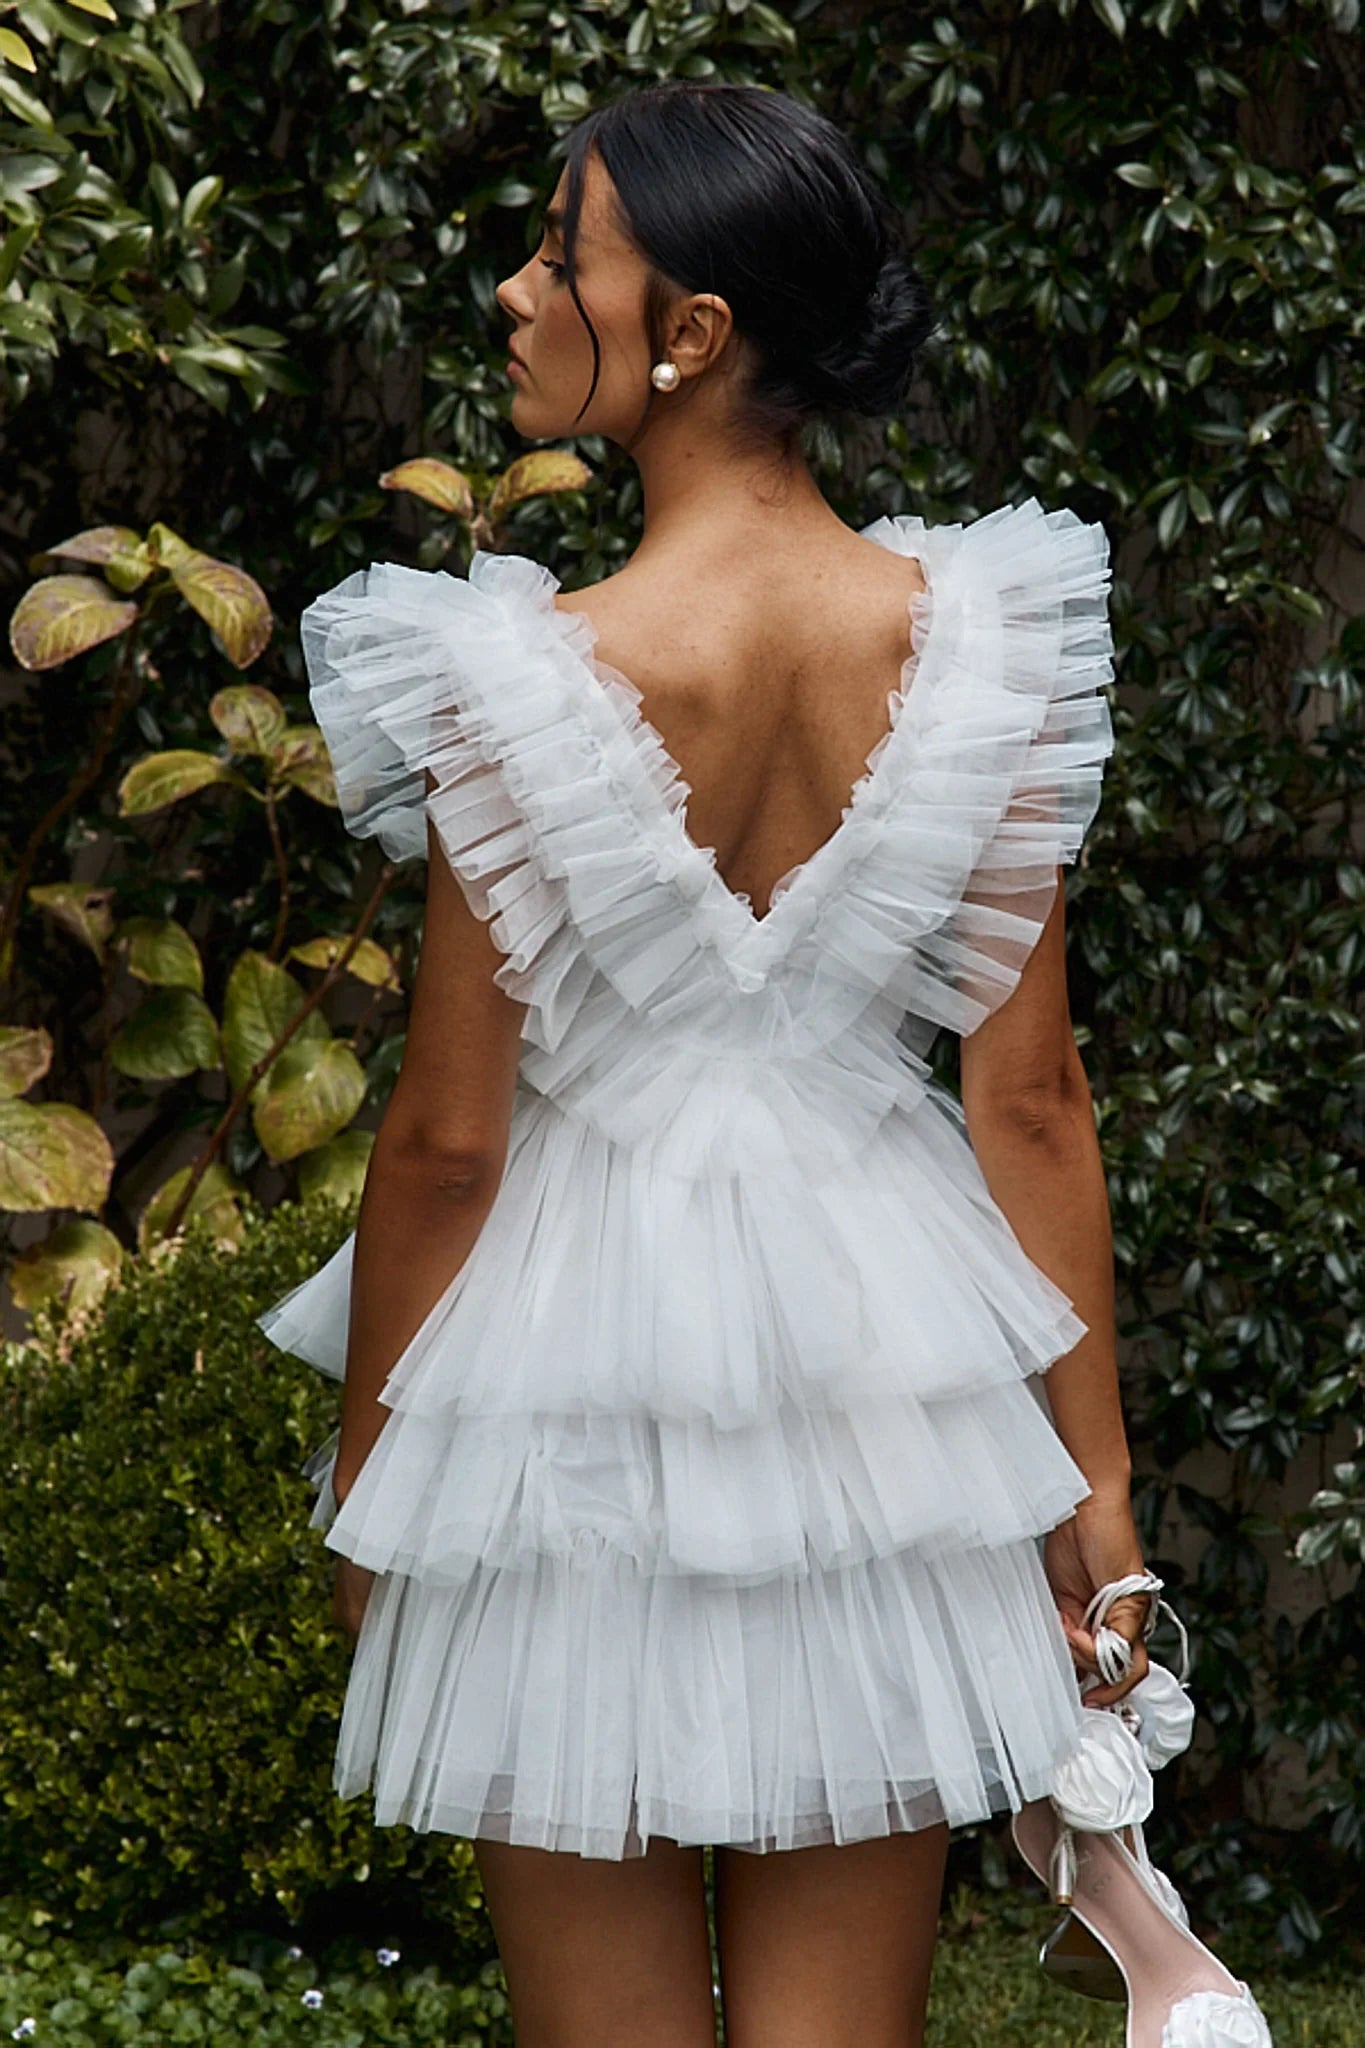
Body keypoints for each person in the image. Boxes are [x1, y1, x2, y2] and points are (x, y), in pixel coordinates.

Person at [258, 79, 1232, 2048]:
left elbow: (446, 1145)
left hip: (563, 1385)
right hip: (883, 1386)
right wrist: (1098, 1493)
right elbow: (1026, 1102)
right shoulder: (983, 646)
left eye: (562, 253)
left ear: (691, 331)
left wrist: (374, 1484)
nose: (518, 290)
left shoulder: (516, 676)